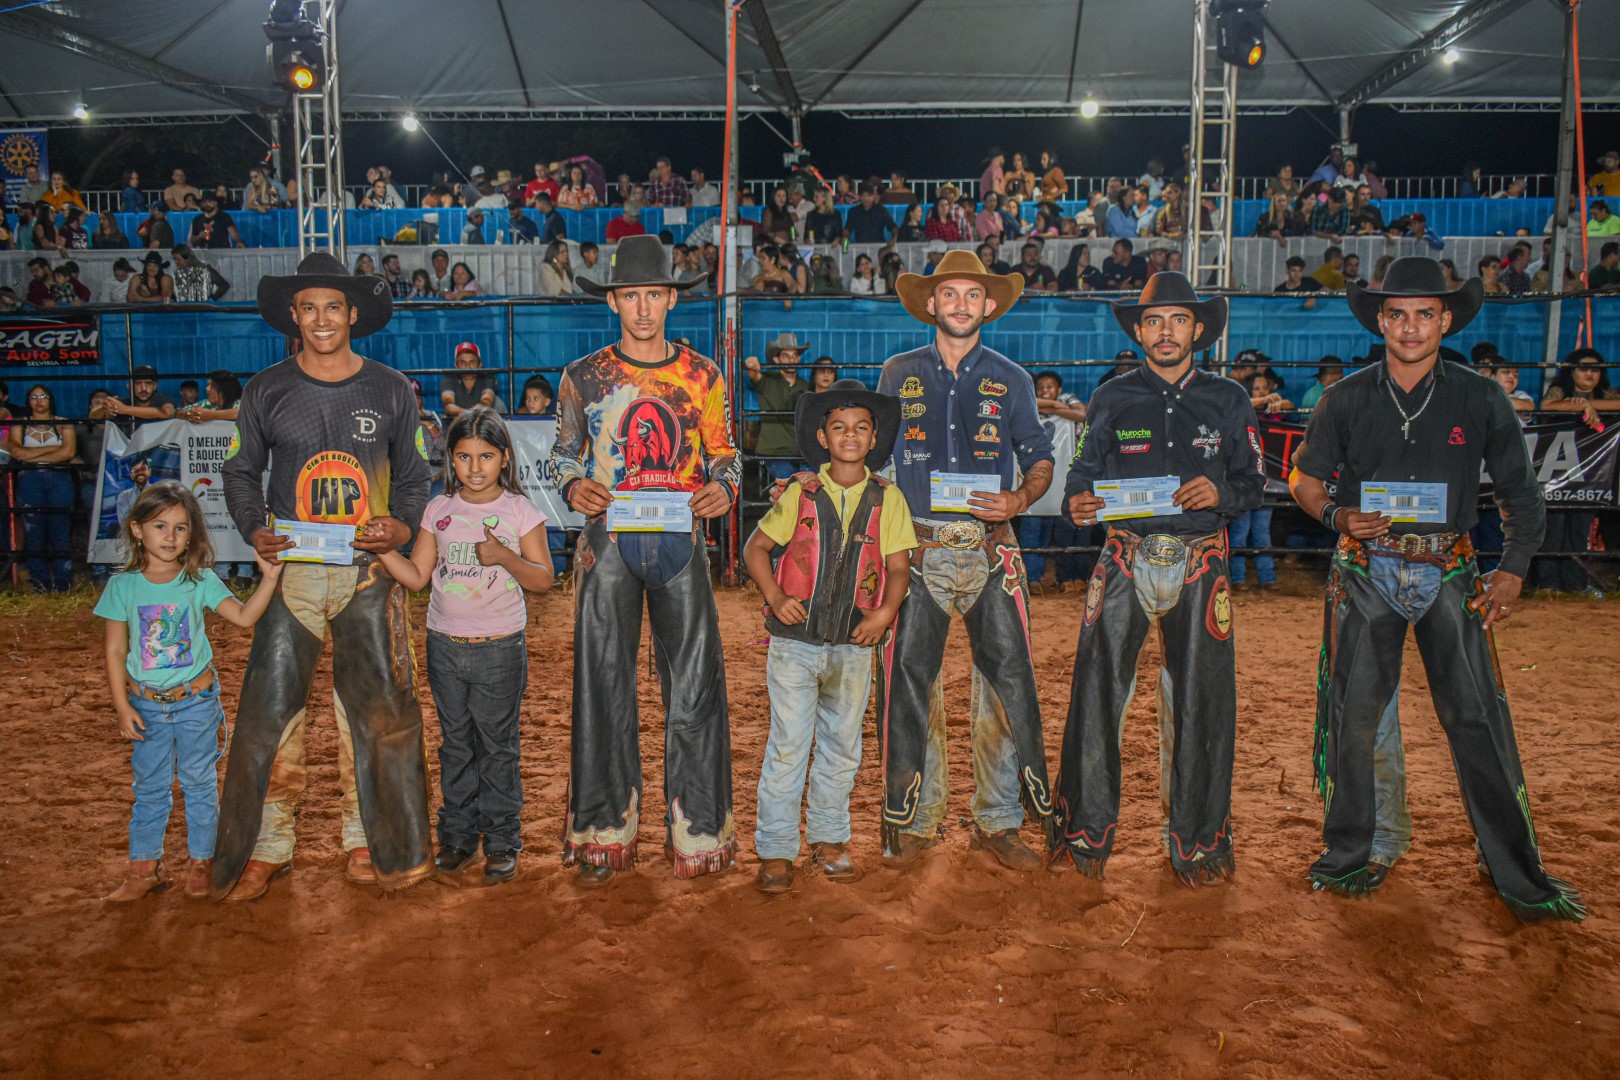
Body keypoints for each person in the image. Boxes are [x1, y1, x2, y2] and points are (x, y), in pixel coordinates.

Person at [1289, 256, 1583, 922]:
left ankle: (1509, 864)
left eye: (1425, 314)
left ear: (1446, 320)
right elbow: (1304, 478)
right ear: (1381, 321)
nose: (1411, 327)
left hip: (1451, 569)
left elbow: (1520, 490)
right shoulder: (1345, 397)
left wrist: (1513, 566)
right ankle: (1355, 852)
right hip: (1365, 569)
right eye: (1398, 314)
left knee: (1476, 720)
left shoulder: (1480, 397)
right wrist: (1335, 515)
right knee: (1354, 720)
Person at [211, 251, 434, 902]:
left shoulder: (391, 390)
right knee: (269, 712)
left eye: (332, 306)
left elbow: (414, 475)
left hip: (369, 574)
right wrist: (253, 527)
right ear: (294, 315)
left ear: (352, 313)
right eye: (308, 308)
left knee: (374, 711)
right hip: (294, 575)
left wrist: (400, 528)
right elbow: (239, 471)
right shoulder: (266, 391)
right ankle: (264, 848)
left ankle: (369, 841)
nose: (321, 319)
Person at [1054, 272, 1262, 884]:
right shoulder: (1111, 396)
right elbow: (1082, 470)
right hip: (1124, 553)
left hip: (1201, 559)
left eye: (1177, 320)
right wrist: (1077, 501)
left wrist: (1220, 492)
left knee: (1204, 698)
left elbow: (1253, 481)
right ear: (1139, 332)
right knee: (1096, 690)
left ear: (1197, 330)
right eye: (1153, 321)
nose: (1165, 331)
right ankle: (1083, 838)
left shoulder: (1229, 399)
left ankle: (1200, 844)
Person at [545, 235, 738, 886]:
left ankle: (699, 830)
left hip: (682, 538)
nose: (644, 308)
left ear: (671, 299)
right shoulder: (583, 376)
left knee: (695, 683)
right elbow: (563, 454)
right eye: (632, 296)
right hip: (607, 542)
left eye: (654, 294)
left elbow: (726, 454)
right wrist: (574, 484)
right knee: (603, 682)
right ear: (613, 302)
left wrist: (725, 486)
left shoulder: (704, 375)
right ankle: (604, 829)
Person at [875, 249, 1057, 872]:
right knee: (911, 683)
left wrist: (1019, 499)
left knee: (1003, 685)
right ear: (931, 303)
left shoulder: (1012, 378)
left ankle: (998, 820)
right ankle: (918, 819)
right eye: (949, 293)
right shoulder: (898, 373)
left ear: (988, 305)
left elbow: (1039, 457)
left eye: (971, 295)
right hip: (918, 547)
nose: (960, 304)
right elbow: (875, 458)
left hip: (989, 545)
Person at [744, 379, 916, 892]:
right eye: (839, 427)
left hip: (853, 646)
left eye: (861, 427)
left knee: (842, 747)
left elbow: (899, 567)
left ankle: (829, 839)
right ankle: (777, 848)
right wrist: (776, 596)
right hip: (793, 646)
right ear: (823, 437)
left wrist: (884, 614)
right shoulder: (801, 493)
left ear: (874, 438)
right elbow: (756, 549)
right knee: (788, 747)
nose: (850, 435)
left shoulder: (888, 498)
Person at [371, 408, 553, 885]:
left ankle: (502, 841)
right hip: (444, 646)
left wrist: (504, 556)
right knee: (455, 745)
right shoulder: (438, 509)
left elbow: (542, 579)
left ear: (505, 458)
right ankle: (457, 838)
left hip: (499, 648)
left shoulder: (520, 511)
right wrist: (382, 549)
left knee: (497, 748)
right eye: (465, 457)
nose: (475, 467)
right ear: (451, 459)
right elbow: (417, 577)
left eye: (486, 456)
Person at [96, 483, 283, 902]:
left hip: (195, 703)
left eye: (180, 528)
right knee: (150, 788)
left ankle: (203, 862)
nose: (170, 536)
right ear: (137, 529)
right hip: (146, 705)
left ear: (191, 534)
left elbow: (244, 617)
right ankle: (143, 868)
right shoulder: (122, 587)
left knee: (199, 782)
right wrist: (122, 706)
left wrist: (269, 580)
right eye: (160, 526)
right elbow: (115, 650)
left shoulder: (199, 580)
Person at [8, 383, 78, 592]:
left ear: (51, 399)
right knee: (34, 532)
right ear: (28, 401)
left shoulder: (64, 423)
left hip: (59, 478)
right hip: (30, 480)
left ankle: (63, 582)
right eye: (34, 397)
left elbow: (68, 452)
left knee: (61, 531)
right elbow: (17, 453)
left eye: (43, 396)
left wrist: (32, 455)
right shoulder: (20, 424)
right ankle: (40, 582)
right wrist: (52, 450)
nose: (39, 401)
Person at [744, 332, 810, 484]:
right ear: (776, 359)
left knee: (812, 479)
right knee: (788, 479)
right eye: (786, 356)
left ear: (799, 359)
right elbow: (753, 374)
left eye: (794, 356)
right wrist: (750, 362)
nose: (791, 360)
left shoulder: (805, 386)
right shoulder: (768, 381)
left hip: (801, 453)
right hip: (773, 452)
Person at [103, 365, 176, 424]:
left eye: (148, 383)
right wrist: (105, 407)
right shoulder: (125, 402)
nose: (143, 388)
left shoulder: (163, 399)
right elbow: (96, 415)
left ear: (155, 385)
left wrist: (125, 409)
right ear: (129, 385)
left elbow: (166, 413)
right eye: (138, 383)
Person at [441, 342, 498, 416]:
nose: (467, 367)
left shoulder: (487, 376)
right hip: (458, 421)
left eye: (472, 362)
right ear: (456, 365)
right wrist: (469, 414)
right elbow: (448, 405)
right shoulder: (449, 377)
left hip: (482, 419)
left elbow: (487, 401)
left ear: (479, 365)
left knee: (498, 404)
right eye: (463, 363)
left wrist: (477, 409)